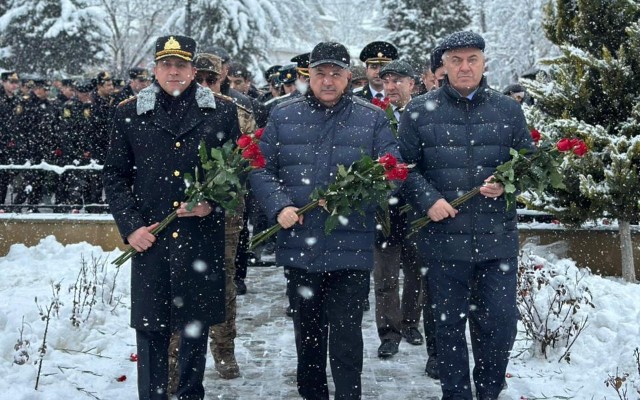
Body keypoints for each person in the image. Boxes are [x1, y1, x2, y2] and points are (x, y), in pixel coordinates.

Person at [250, 41, 400, 400]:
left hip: (351, 245)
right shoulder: (283, 116)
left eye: (336, 73)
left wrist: (356, 196)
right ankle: (312, 393)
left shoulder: (372, 118)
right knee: (308, 334)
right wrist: (280, 206)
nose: (328, 80)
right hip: (300, 245)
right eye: (321, 73)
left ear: (349, 76)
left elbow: (392, 171)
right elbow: (259, 168)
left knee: (347, 335)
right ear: (308, 76)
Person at [398, 31, 534, 400]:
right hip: (443, 240)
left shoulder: (507, 110)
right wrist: (429, 199)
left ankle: (489, 390)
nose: (464, 67)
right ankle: (455, 394)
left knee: (501, 325)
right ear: (442, 67)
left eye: (472, 59)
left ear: (484, 63)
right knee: (448, 329)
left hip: (496, 241)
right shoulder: (418, 111)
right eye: (456, 60)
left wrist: (507, 183)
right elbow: (402, 168)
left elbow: (529, 162)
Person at [103, 35, 240, 400]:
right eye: (166, 64)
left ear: (194, 70)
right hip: (152, 241)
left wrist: (212, 204)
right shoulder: (130, 112)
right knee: (151, 331)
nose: (174, 72)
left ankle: (191, 394)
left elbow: (236, 173)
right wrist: (131, 228)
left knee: (195, 329)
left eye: (181, 65)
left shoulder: (221, 111)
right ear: (155, 69)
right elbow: (115, 175)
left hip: (200, 239)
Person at [166, 52, 255, 387]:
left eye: (211, 79)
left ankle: (223, 348)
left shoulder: (238, 111)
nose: (205, 85)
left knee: (222, 282)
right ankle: (175, 356)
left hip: (225, 212)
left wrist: (218, 192)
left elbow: (248, 161)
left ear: (223, 78)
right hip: (183, 210)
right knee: (179, 283)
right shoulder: (177, 108)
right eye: (199, 78)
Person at [373, 60, 433, 361]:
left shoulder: (425, 113)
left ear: (413, 83)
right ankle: (388, 333)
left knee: (416, 271)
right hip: (385, 208)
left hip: (417, 206)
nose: (391, 87)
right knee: (385, 275)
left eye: (397, 80)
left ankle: (410, 323)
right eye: (386, 81)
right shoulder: (376, 116)